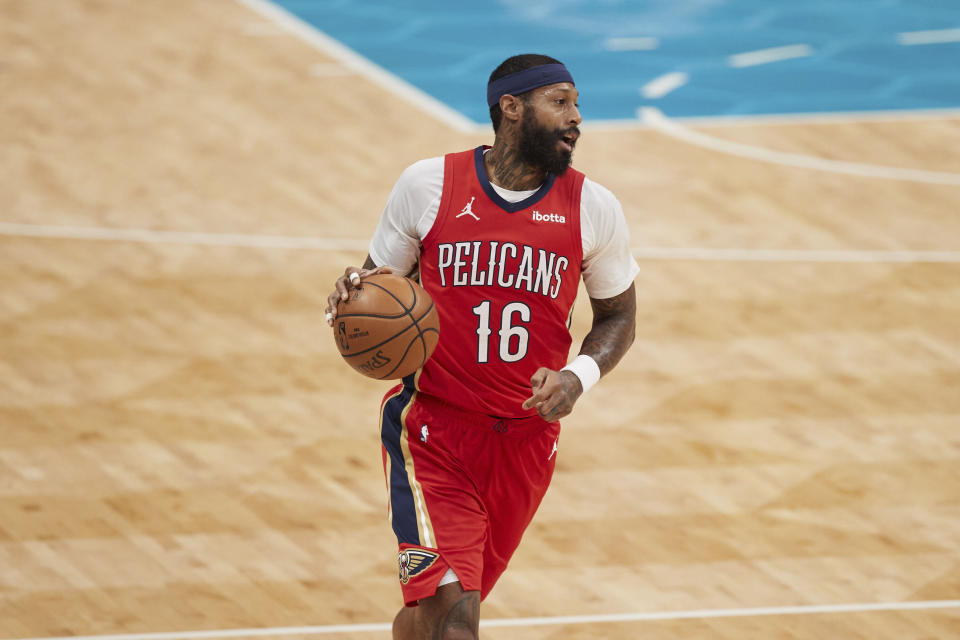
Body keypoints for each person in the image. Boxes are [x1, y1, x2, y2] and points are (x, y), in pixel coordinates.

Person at [325, 53, 639, 640]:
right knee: (457, 624)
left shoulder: (594, 207)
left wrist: (578, 377)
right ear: (511, 107)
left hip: (525, 443)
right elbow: (372, 292)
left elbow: (619, 316)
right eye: (561, 102)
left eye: (577, 103)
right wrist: (346, 298)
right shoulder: (429, 184)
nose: (577, 118)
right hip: (432, 434)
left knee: (431, 620)